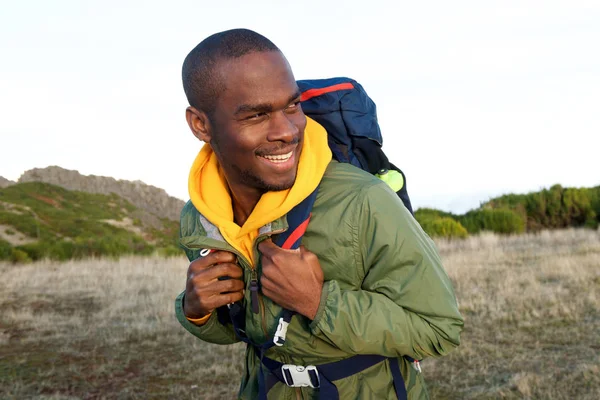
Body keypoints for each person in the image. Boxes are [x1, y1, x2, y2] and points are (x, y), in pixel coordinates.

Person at [175, 28, 463, 399]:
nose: (286, 131)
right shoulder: (200, 217)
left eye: (291, 106)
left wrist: (318, 301)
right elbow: (245, 332)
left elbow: (439, 330)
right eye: (256, 115)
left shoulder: (364, 201)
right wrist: (195, 310)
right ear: (201, 124)